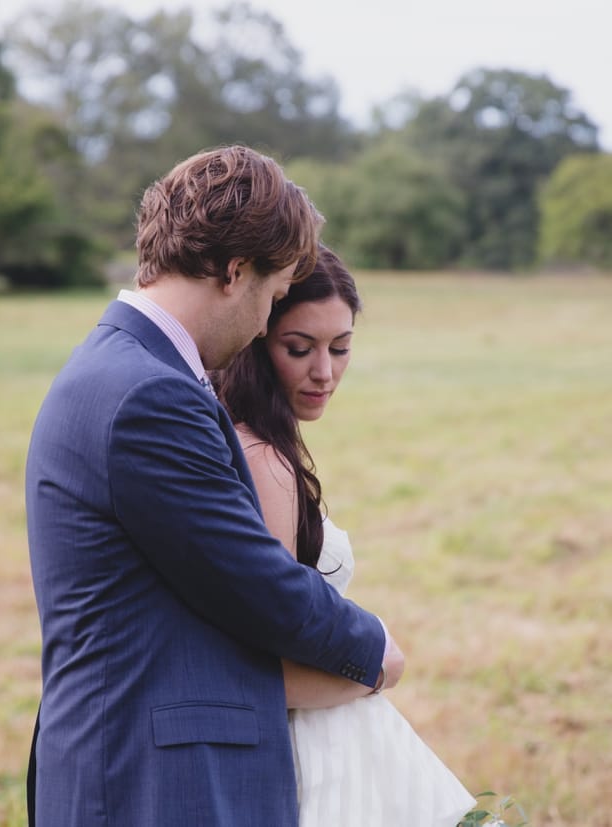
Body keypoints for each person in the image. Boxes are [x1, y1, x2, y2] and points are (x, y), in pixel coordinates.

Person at [24, 145, 405, 826]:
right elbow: (255, 581)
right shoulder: (148, 395)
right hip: (151, 781)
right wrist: (374, 649)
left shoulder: (122, 366)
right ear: (235, 271)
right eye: (273, 292)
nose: (266, 320)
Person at [215, 245, 477, 826]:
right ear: (258, 340)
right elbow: (267, 648)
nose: (324, 372)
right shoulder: (262, 457)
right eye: (299, 348)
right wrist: (376, 668)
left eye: (341, 347)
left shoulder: (271, 441)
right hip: (314, 738)